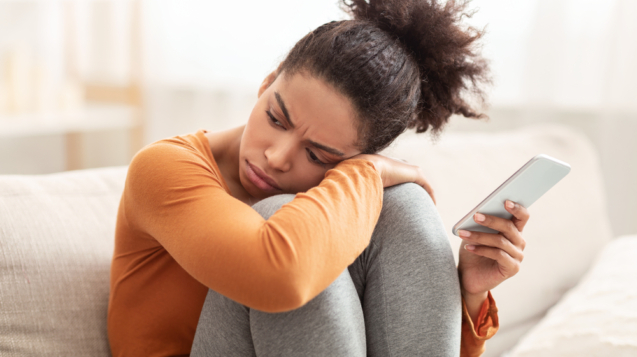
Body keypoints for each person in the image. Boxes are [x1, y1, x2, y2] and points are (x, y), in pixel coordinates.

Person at [107, 0, 529, 356]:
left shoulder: (335, 200)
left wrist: (467, 294)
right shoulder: (163, 168)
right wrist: (368, 170)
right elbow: (279, 277)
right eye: (275, 117)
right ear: (268, 83)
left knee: (403, 203)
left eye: (318, 154)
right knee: (281, 220)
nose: (276, 158)